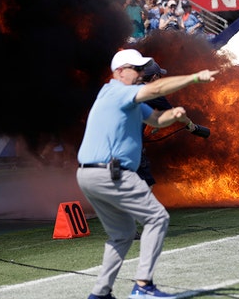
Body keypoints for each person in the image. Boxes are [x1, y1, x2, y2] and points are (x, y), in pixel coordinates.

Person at [77, 49, 217, 299]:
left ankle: (99, 294)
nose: (141, 73)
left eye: (142, 69)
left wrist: (172, 116)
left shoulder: (126, 98)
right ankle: (143, 287)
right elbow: (155, 90)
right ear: (119, 71)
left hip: (91, 175)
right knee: (157, 218)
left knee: (122, 234)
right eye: (137, 68)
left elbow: (155, 120)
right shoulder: (117, 91)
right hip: (112, 172)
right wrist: (194, 77)